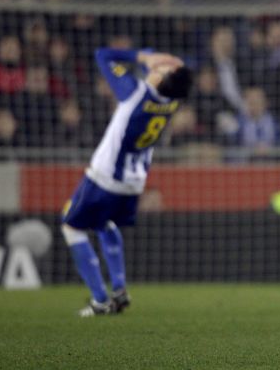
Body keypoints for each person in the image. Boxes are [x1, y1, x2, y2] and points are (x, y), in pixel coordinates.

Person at [60, 47, 192, 317]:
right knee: (103, 224)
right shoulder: (171, 101)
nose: (156, 68)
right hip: (133, 183)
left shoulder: (134, 93)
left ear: (160, 78)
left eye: (161, 68)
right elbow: (164, 79)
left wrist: (143, 57)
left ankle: (99, 301)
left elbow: (102, 55)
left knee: (71, 227)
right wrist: (161, 63)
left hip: (104, 177)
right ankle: (119, 291)